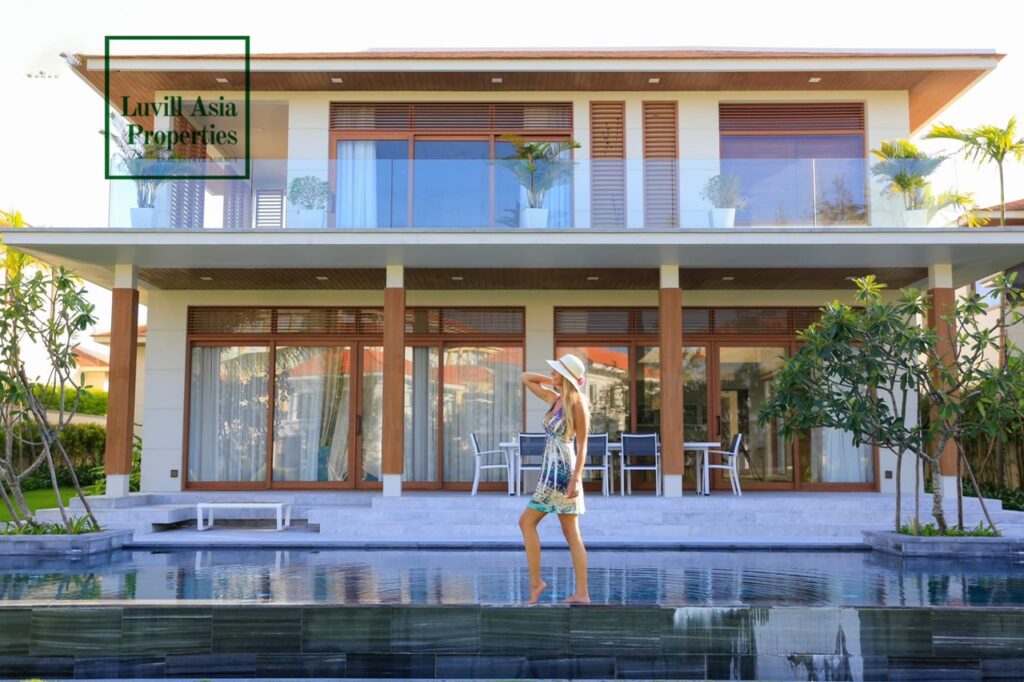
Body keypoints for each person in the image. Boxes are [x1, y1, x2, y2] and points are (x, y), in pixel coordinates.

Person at [518, 353, 591, 604]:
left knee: (568, 532)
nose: (551, 373)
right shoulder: (554, 399)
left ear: (567, 376)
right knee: (529, 523)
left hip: (563, 474)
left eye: (556, 371)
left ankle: (580, 593)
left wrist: (576, 479)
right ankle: (539, 583)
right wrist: (556, 381)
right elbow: (526, 378)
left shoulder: (577, 404)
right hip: (548, 473)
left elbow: (582, 446)